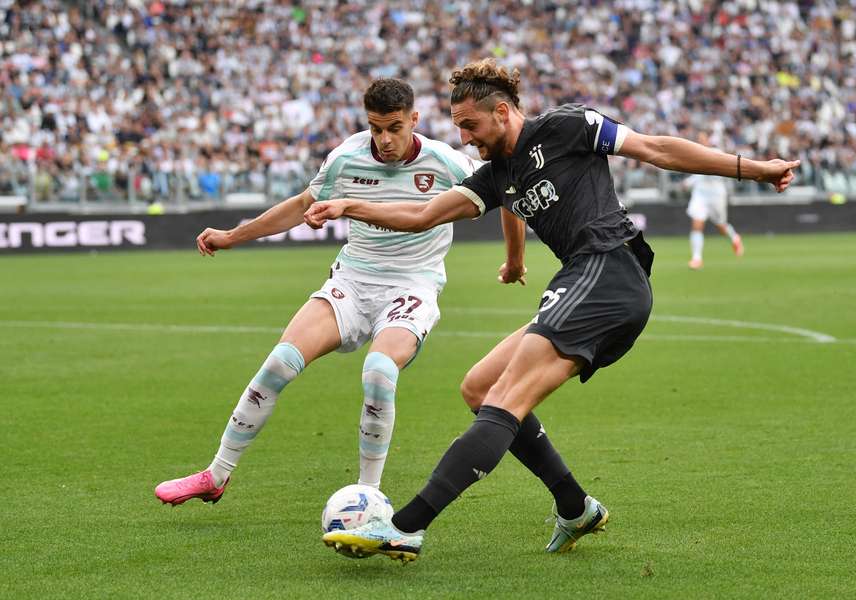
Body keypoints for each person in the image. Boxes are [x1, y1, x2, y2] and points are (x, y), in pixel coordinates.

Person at [306, 58, 800, 562]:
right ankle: (575, 505)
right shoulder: (497, 176)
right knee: (479, 387)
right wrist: (349, 206)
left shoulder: (566, 126)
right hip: (586, 280)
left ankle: (405, 526)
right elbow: (422, 216)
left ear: (501, 112)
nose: (466, 139)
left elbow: (656, 149)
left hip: (609, 269)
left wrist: (754, 170)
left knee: (505, 400)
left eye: (470, 126)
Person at [154, 78, 526, 507]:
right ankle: (215, 475)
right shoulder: (346, 158)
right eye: (375, 128)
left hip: (412, 285)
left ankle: (368, 496)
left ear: (414, 120)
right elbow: (299, 205)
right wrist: (232, 236)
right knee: (278, 364)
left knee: (379, 374)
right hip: (351, 281)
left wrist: (515, 259)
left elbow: (507, 194)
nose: (384, 140)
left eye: (394, 127)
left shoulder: (446, 162)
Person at [684, 133, 744, 270]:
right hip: (700, 195)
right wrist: (687, 183)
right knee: (697, 224)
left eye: (702, 139)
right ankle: (697, 258)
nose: (700, 141)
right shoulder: (694, 155)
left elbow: (715, 170)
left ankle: (734, 237)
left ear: (708, 140)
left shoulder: (716, 153)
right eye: (698, 139)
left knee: (721, 226)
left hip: (716, 196)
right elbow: (697, 175)